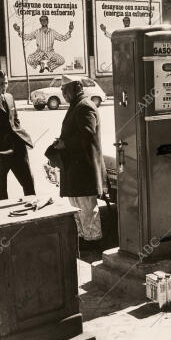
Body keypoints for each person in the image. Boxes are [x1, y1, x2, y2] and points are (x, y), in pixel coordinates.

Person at [53, 75, 107, 249]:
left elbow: (87, 134)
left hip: (84, 168)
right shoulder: (76, 105)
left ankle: (93, 243)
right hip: (76, 168)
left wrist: (65, 143)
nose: (62, 93)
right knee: (78, 208)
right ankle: (84, 239)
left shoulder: (84, 106)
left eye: (64, 89)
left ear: (75, 87)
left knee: (87, 209)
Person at [0, 70, 35, 200]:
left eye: (6, 83)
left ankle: (34, 213)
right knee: (1, 189)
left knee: (29, 184)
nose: (4, 87)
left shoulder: (9, 97)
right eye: (1, 84)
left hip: (18, 150)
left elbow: (16, 121)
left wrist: (25, 140)